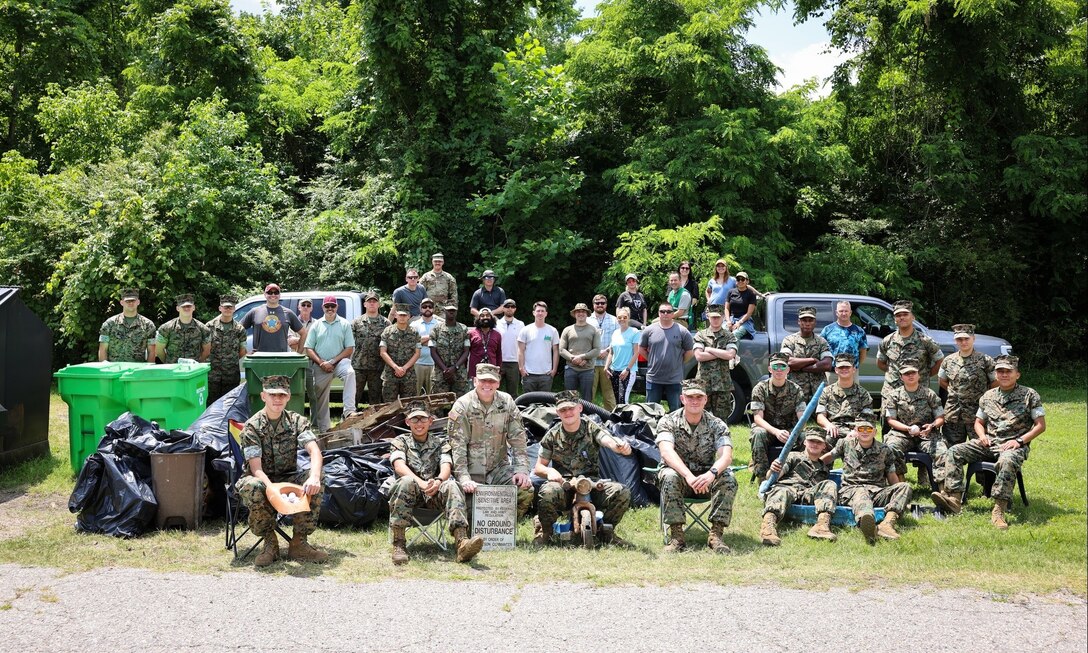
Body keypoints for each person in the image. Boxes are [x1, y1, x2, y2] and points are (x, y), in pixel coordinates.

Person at [931, 355, 1045, 529]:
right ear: (996, 374)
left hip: (1012, 445)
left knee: (1007, 461)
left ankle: (999, 509)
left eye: (1008, 371)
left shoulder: (1029, 395)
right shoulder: (988, 396)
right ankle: (954, 498)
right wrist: (982, 436)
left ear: (1017, 374)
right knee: (954, 451)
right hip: (989, 442)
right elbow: (979, 422)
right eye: (1000, 371)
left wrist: (1020, 441)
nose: (1004, 375)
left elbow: (1040, 425)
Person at [235, 375, 327, 567]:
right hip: (260, 479)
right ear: (263, 396)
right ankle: (270, 543)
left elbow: (314, 450)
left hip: (288, 476)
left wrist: (314, 477)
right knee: (252, 486)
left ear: (288, 397)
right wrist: (273, 490)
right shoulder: (252, 427)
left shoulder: (296, 421)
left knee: (317, 477)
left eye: (282, 395)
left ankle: (299, 543)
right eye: (272, 395)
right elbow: (256, 469)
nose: (277, 399)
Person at [386, 401, 483, 565]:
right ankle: (399, 544)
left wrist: (438, 481)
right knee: (406, 481)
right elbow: (399, 466)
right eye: (414, 419)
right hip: (410, 496)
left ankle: (462, 543)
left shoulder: (441, 443)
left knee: (452, 485)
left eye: (423, 419)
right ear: (407, 422)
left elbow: (446, 466)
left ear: (430, 421)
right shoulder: (399, 442)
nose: (419, 424)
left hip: (433, 494)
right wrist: (421, 483)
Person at [532, 390, 633, 547]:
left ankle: (605, 531)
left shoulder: (591, 428)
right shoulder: (552, 435)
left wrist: (618, 446)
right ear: (558, 412)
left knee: (622, 492)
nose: (568, 413)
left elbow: (606, 439)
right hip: (565, 484)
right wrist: (549, 471)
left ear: (580, 408)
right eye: (563, 410)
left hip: (591, 484)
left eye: (571, 408)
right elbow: (538, 467)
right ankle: (546, 533)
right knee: (547, 492)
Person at [655, 379, 738, 553]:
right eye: (690, 396)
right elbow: (666, 452)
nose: (694, 401)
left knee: (729, 478)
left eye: (699, 397)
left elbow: (726, 455)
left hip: (706, 480)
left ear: (705, 400)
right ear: (682, 399)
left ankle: (716, 535)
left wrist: (711, 474)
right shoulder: (668, 421)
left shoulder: (717, 424)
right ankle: (677, 536)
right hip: (681, 480)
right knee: (669, 476)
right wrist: (688, 475)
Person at [447, 363, 534, 517]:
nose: (487, 385)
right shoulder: (462, 406)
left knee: (525, 489)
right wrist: (464, 477)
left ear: (498, 383)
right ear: (474, 381)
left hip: (498, 470)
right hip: (471, 472)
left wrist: (521, 470)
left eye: (492, 381)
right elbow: (457, 445)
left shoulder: (506, 402)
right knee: (470, 512)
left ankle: (502, 528)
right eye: (482, 381)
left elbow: (518, 439)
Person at [821, 416, 911, 543]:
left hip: (876, 492)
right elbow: (828, 458)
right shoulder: (845, 444)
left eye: (868, 429)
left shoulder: (885, 450)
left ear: (875, 432)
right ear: (856, 431)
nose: (864, 431)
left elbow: (891, 476)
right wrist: (811, 464)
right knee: (861, 491)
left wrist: (899, 495)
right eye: (861, 428)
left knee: (905, 486)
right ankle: (866, 521)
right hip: (851, 490)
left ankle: (887, 524)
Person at [759, 428, 840, 546]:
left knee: (830, 484)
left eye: (819, 442)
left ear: (824, 446)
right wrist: (773, 470)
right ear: (805, 442)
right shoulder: (793, 456)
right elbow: (772, 477)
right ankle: (768, 528)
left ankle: (821, 526)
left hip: (807, 494)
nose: (815, 444)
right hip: (788, 488)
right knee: (781, 490)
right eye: (812, 441)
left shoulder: (824, 468)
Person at [876, 300, 944, 424]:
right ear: (894, 319)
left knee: (919, 429)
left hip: (918, 395)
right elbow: (881, 363)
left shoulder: (925, 341)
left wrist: (924, 375)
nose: (902, 317)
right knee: (888, 427)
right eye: (898, 315)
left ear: (912, 317)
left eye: (905, 314)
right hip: (891, 392)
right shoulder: (887, 341)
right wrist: (894, 374)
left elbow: (940, 361)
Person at [883, 359, 946, 485]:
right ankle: (900, 484)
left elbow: (941, 417)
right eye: (907, 374)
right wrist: (907, 428)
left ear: (919, 375)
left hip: (927, 434)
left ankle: (943, 489)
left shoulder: (929, 394)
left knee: (942, 451)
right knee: (890, 447)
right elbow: (891, 420)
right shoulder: (894, 395)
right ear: (901, 377)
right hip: (902, 434)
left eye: (913, 373)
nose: (910, 376)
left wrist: (932, 426)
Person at [304, 295, 357, 433]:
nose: (330, 308)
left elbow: (349, 348)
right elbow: (308, 348)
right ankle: (325, 431)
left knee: (350, 372)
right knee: (320, 396)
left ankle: (349, 411)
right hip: (321, 364)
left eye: (332, 306)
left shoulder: (345, 324)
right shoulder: (316, 325)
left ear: (337, 307)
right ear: (322, 307)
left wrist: (333, 361)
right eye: (327, 306)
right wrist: (322, 363)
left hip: (339, 362)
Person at [748, 353, 807, 479]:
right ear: (770, 369)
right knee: (758, 433)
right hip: (768, 429)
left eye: (782, 367)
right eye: (775, 367)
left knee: (804, 436)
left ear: (788, 370)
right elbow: (758, 419)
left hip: (789, 430)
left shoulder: (796, 390)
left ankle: (801, 474)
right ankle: (763, 477)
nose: (779, 370)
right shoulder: (760, 388)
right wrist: (776, 432)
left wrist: (794, 433)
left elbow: (802, 419)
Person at [938, 324, 997, 446]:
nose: (963, 342)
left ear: (973, 339)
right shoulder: (948, 361)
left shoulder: (985, 360)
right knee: (951, 450)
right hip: (954, 414)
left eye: (966, 338)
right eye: (960, 339)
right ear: (955, 340)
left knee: (980, 449)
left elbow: (995, 383)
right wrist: (955, 392)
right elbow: (942, 381)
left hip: (977, 415)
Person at [639, 302, 695, 411]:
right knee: (651, 411)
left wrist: (678, 362)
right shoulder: (649, 330)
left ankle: (674, 429)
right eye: (662, 311)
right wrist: (652, 359)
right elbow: (641, 349)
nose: (665, 314)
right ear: (659, 313)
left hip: (674, 379)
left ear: (673, 313)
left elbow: (689, 352)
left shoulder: (682, 331)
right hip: (653, 378)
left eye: (668, 311)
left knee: (675, 410)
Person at [815, 354, 873, 447]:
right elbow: (820, 416)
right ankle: (824, 461)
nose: (844, 369)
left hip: (855, 430)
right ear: (836, 370)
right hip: (834, 429)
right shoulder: (826, 391)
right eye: (841, 367)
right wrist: (828, 425)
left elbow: (868, 418)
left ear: (854, 369)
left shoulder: (863, 394)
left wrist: (856, 430)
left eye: (847, 367)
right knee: (823, 442)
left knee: (860, 443)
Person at [693, 304, 738, 420]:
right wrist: (720, 354)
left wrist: (709, 349)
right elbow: (698, 356)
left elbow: (730, 355)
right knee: (700, 418)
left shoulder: (729, 336)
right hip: (704, 383)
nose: (715, 319)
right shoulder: (700, 335)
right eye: (713, 317)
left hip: (723, 384)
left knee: (722, 420)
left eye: (718, 317)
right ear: (708, 317)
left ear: (723, 317)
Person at [781, 306, 833, 402]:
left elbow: (827, 365)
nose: (807, 324)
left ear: (815, 322)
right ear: (799, 322)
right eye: (804, 320)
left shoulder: (821, 342)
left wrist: (800, 367)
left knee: (820, 416)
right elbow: (787, 361)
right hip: (795, 391)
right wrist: (812, 360)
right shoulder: (789, 340)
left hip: (818, 392)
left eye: (810, 320)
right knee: (798, 417)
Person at [205, 294, 248, 404]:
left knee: (230, 405)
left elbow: (242, 351)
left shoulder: (239, 329)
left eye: (230, 307)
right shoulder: (209, 327)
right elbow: (204, 349)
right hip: (212, 375)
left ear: (234, 309)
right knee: (210, 404)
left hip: (231, 375)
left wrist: (229, 361)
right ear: (220, 308)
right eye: (225, 307)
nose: (228, 309)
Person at [350, 291, 390, 406]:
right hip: (358, 366)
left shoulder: (386, 323)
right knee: (354, 397)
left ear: (379, 305)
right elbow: (349, 343)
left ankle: (374, 423)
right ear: (365, 304)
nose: (372, 303)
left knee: (375, 400)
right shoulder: (356, 323)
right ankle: (348, 420)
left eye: (374, 301)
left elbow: (389, 345)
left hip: (377, 367)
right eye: (369, 301)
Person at [240, 283, 304, 353]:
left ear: (279, 295)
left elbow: (303, 333)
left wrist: (299, 354)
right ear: (265, 294)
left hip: (281, 358)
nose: (273, 295)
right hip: (259, 359)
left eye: (276, 292)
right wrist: (244, 353)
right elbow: (237, 330)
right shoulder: (255, 312)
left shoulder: (288, 313)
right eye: (270, 292)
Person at [98, 288, 157, 363]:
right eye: (127, 301)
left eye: (133, 301)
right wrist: (105, 370)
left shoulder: (148, 325)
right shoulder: (109, 324)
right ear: (122, 302)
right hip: (114, 370)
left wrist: (147, 372)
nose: (130, 303)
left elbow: (152, 351)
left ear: (138, 302)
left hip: (137, 371)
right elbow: (103, 349)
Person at [560, 303, 600, 406]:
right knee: (569, 399)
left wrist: (582, 357)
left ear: (587, 314)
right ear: (574, 314)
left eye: (583, 311)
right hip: (571, 368)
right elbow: (562, 349)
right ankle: (570, 419)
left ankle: (587, 418)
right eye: (578, 311)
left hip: (587, 369)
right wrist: (573, 358)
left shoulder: (594, 330)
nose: (581, 313)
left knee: (587, 399)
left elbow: (597, 349)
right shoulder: (567, 329)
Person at [379, 303, 421, 401]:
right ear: (396, 315)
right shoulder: (387, 331)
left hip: (408, 375)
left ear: (409, 317)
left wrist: (404, 368)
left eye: (404, 315)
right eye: (400, 315)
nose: (402, 317)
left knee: (408, 405)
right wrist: (396, 367)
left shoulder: (415, 333)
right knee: (389, 406)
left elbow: (417, 353)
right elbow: (382, 352)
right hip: (390, 374)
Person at [155, 293, 211, 363]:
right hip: (173, 370)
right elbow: (159, 350)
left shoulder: (203, 329)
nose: (186, 308)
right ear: (178, 308)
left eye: (189, 306)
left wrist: (198, 364)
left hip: (193, 370)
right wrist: (168, 363)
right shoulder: (166, 328)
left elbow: (207, 351)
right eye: (183, 306)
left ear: (193, 307)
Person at [517, 301, 559, 392]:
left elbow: (556, 351)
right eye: (538, 311)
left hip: (546, 374)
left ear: (546, 314)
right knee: (528, 403)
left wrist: (554, 369)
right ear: (533, 313)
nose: (540, 313)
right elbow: (521, 350)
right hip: (529, 374)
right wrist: (521, 368)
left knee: (544, 403)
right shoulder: (525, 330)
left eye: (542, 311)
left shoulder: (552, 330)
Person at [430, 304, 471, 396]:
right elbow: (433, 352)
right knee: (438, 404)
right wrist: (445, 369)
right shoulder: (436, 329)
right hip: (440, 373)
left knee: (460, 403)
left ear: (456, 312)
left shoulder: (464, 329)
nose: (451, 312)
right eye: (449, 310)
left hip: (459, 373)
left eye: (453, 310)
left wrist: (455, 367)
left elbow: (466, 351)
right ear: (444, 311)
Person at [586, 294, 618, 411]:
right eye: (597, 303)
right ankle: (587, 418)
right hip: (591, 363)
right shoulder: (587, 320)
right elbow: (584, 339)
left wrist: (607, 350)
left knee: (609, 396)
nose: (600, 305)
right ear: (593, 305)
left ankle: (611, 420)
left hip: (608, 363)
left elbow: (618, 338)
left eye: (602, 303)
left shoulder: (614, 320)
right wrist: (595, 352)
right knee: (589, 394)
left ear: (606, 305)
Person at [604, 307, 640, 404]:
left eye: (624, 317)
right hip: (614, 370)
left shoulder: (634, 332)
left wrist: (627, 369)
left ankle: (626, 419)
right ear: (617, 319)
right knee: (617, 401)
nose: (622, 319)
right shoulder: (615, 333)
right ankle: (619, 419)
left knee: (623, 400)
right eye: (619, 317)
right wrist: (606, 367)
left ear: (629, 318)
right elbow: (611, 352)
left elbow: (636, 353)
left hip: (627, 371)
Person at [819, 300, 868, 369]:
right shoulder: (827, 330)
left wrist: (854, 367)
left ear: (850, 312)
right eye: (841, 311)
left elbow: (863, 352)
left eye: (846, 311)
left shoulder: (859, 331)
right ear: (836, 312)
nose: (844, 313)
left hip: (851, 372)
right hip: (832, 372)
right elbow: (820, 349)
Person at [410, 298, 440, 394]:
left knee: (433, 395)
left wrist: (422, 340)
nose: (427, 308)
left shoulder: (439, 325)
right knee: (415, 394)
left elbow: (440, 343)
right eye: (424, 307)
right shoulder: (414, 324)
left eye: (430, 307)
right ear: (420, 309)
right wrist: (431, 338)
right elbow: (412, 343)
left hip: (434, 364)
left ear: (433, 309)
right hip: (417, 363)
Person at [495, 298, 524, 397]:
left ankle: (512, 411)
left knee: (513, 393)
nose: (509, 309)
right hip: (499, 362)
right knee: (495, 390)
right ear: (503, 308)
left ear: (515, 309)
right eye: (507, 306)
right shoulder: (496, 324)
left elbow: (523, 345)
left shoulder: (521, 324)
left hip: (514, 362)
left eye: (512, 306)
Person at [467, 308, 502, 379]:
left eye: (488, 315)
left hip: (491, 369)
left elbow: (498, 354)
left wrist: (498, 368)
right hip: (475, 370)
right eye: (482, 316)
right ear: (478, 318)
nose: (485, 317)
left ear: (491, 318)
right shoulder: (471, 333)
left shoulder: (497, 335)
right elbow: (466, 352)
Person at [725, 272, 758, 339]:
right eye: (738, 279)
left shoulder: (751, 294)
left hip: (745, 321)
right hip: (732, 319)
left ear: (747, 281)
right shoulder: (730, 292)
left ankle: (731, 349)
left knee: (734, 335)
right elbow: (726, 308)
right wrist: (728, 321)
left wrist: (739, 323)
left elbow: (749, 313)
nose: (740, 281)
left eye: (742, 279)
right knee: (722, 333)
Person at [677, 261, 699, 328]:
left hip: (688, 315)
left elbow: (695, 299)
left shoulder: (693, 283)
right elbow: (668, 296)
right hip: (673, 312)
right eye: (682, 268)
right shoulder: (674, 281)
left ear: (689, 270)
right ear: (679, 269)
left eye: (687, 268)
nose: (684, 270)